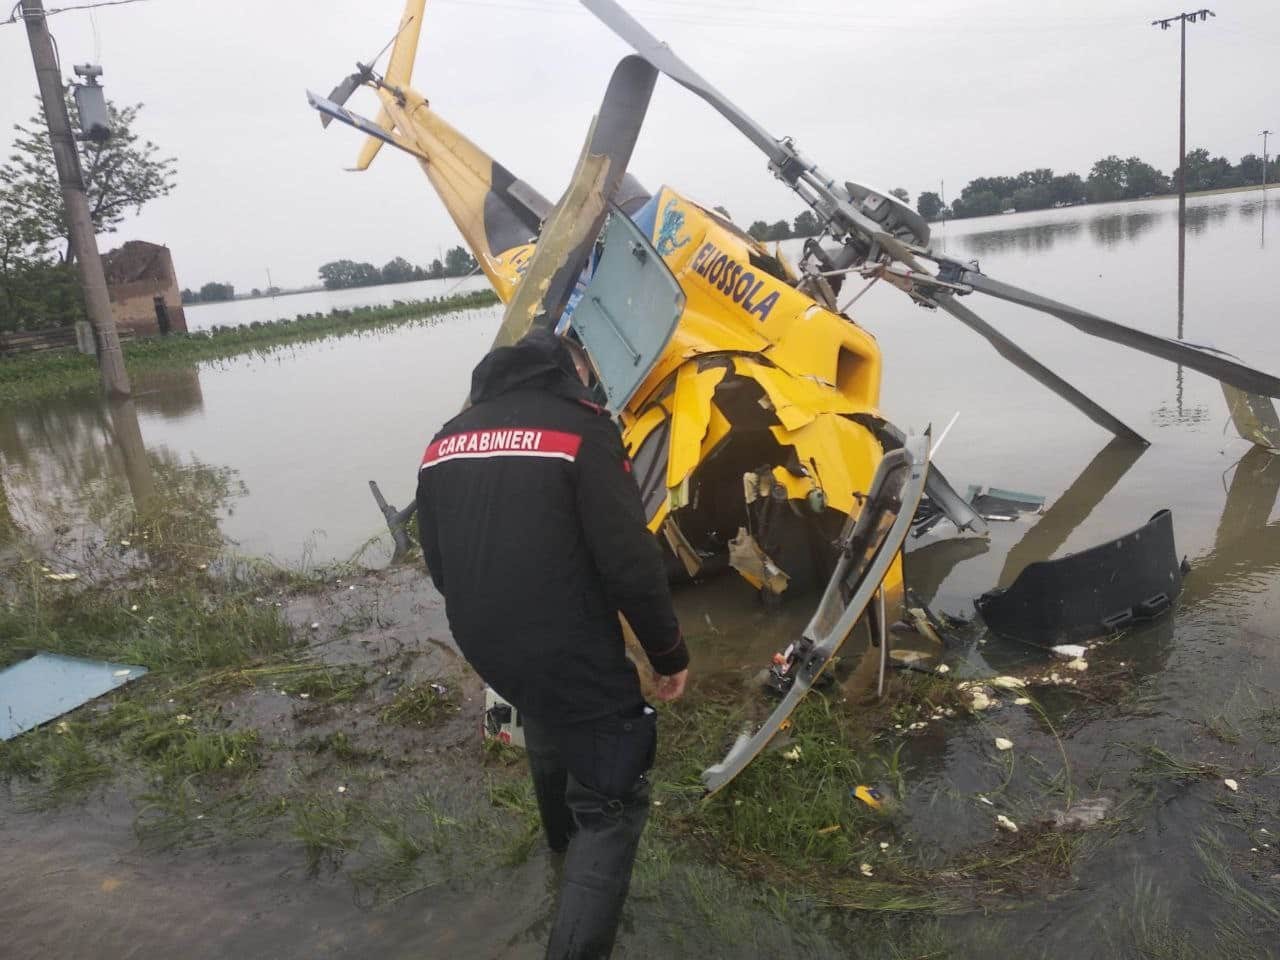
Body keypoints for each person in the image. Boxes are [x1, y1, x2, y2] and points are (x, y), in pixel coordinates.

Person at [415, 328, 689, 959]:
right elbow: (630, 564)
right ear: (568, 367)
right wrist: (668, 653)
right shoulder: (581, 428)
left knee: (546, 710)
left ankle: (562, 855)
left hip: (483, 637)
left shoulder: (443, 441)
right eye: (587, 368)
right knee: (614, 796)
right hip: (558, 637)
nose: (591, 380)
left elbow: (438, 563)